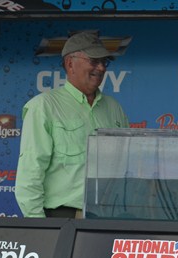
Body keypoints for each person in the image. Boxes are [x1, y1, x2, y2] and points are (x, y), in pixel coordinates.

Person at [15, 31, 129, 218]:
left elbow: (127, 166)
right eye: (94, 61)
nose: (101, 68)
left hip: (108, 217)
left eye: (104, 62)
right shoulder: (43, 107)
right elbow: (31, 171)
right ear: (70, 64)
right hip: (63, 218)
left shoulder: (114, 108)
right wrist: (39, 226)